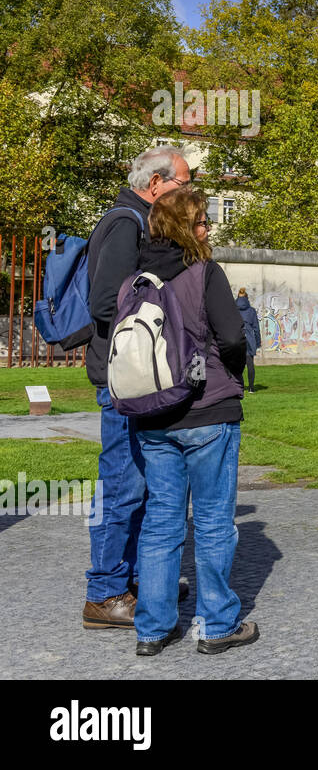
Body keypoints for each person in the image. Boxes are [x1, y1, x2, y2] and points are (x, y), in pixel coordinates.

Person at [132, 188, 258, 656]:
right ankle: (219, 624)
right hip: (207, 411)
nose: (209, 228)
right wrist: (231, 369)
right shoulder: (205, 273)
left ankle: (152, 628)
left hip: (153, 418)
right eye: (203, 221)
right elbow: (231, 337)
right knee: (213, 521)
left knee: (161, 523)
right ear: (187, 228)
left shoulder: (137, 279)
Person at [82, 145, 192, 629]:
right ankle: (104, 594)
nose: (189, 191)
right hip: (123, 379)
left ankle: (136, 580)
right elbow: (107, 301)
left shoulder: (134, 219)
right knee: (122, 485)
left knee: (140, 484)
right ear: (156, 185)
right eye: (183, 183)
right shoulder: (126, 223)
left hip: (131, 379)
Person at [235, 288, 261, 392]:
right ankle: (251, 388)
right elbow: (256, 328)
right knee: (250, 365)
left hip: (237, 340)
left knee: (237, 366)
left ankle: (239, 388)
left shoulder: (233, 309)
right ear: (247, 298)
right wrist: (258, 343)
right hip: (249, 340)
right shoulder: (251, 311)